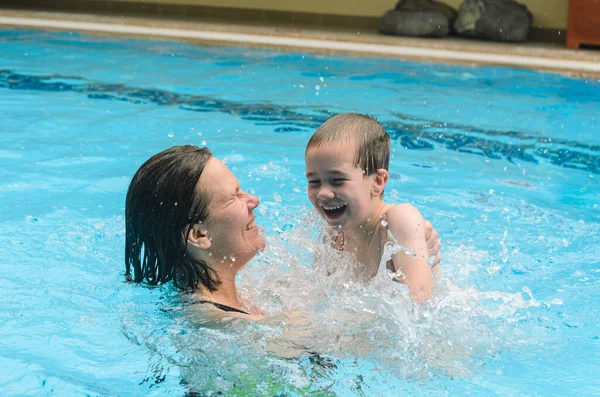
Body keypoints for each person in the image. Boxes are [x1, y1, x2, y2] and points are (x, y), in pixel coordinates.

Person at [125, 145, 441, 319]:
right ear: (198, 235)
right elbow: (389, 334)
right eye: (235, 196)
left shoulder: (239, 296)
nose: (253, 201)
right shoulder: (222, 325)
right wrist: (426, 273)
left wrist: (399, 252)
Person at [305, 113, 440, 301]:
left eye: (337, 180)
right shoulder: (334, 236)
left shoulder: (398, 221)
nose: (323, 193)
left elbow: (418, 304)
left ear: (377, 181)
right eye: (314, 181)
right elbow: (316, 300)